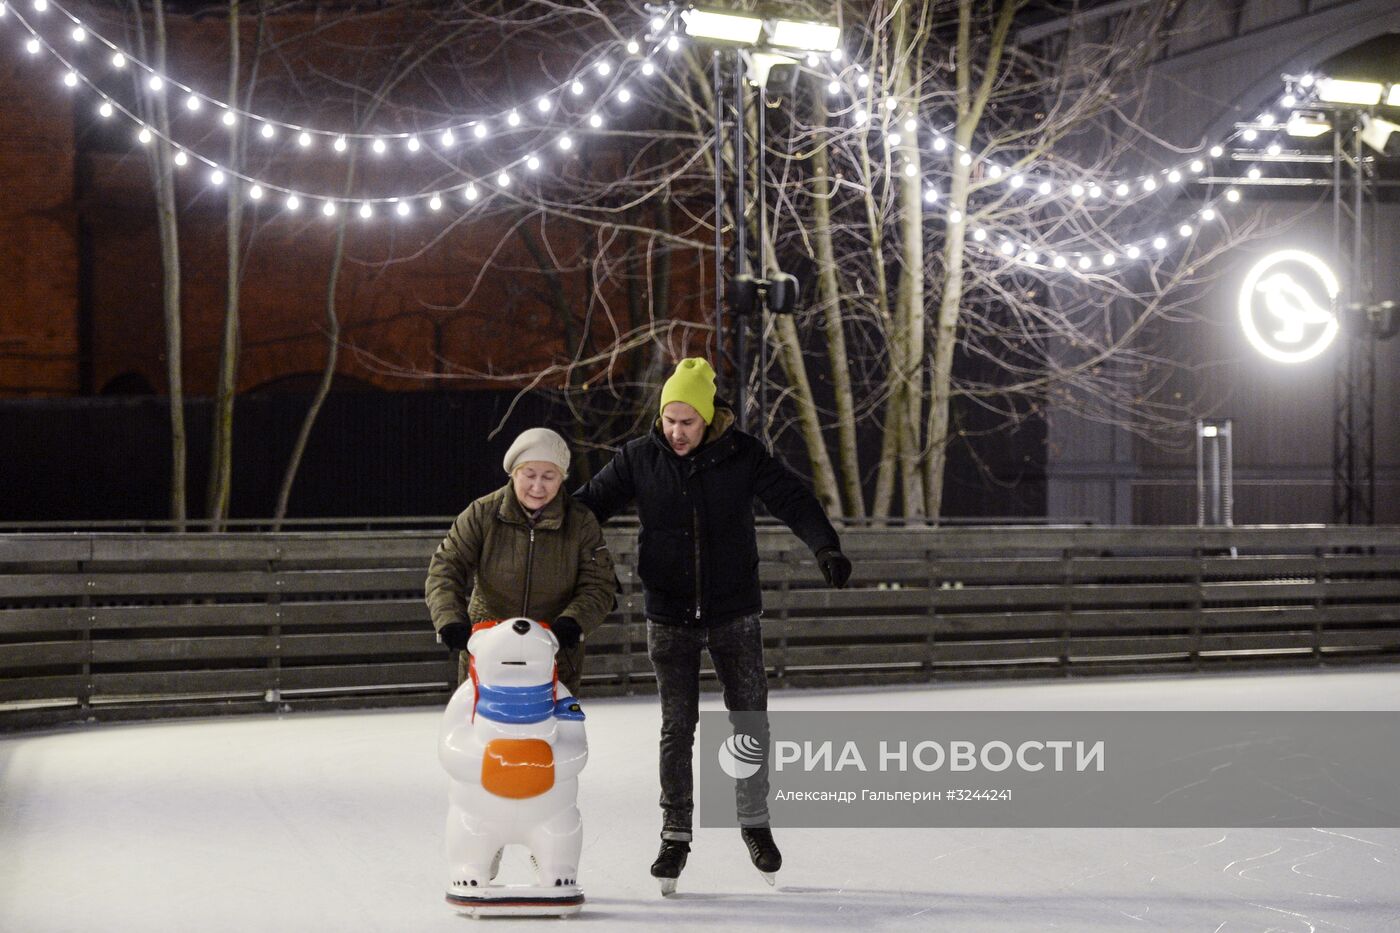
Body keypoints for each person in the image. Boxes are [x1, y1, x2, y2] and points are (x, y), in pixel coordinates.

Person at [574, 358, 852, 891]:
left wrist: (825, 547)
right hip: (669, 614)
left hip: (734, 613)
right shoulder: (639, 458)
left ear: (708, 416)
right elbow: (587, 509)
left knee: (749, 721)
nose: (677, 432)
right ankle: (675, 834)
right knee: (677, 729)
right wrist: (533, 513)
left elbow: (792, 498)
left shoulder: (742, 455)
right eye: (670, 421)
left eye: (687, 421)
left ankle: (754, 823)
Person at [425, 427, 616, 697]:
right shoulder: (482, 513)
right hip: (488, 648)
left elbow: (598, 583)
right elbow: (445, 568)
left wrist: (572, 622)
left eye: (549, 477)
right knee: (485, 730)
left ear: (561, 479)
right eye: (529, 475)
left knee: (550, 733)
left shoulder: (581, 522)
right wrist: (450, 620)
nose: (538, 487)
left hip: (554, 650)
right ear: (513, 472)